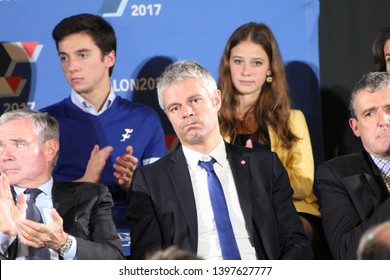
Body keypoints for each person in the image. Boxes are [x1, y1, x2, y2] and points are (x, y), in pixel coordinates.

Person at [127, 60, 313, 260]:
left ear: (216, 100)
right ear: (168, 116)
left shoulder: (264, 166)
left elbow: (295, 242)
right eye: (175, 108)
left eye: (195, 100)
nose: (187, 112)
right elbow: (147, 259)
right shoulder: (150, 181)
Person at [40, 13, 167, 229]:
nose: (71, 67)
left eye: (82, 55)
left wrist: (134, 184)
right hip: (68, 234)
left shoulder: (145, 119)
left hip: (136, 233)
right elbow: (31, 198)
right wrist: (84, 184)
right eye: (64, 57)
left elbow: (165, 196)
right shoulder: (44, 122)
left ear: (109, 58)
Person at [217, 22, 327, 257]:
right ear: (228, 65)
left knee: (271, 232)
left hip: (288, 212)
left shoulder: (292, 120)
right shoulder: (212, 121)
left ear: (270, 69)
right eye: (238, 61)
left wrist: (258, 175)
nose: (246, 71)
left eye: (256, 63)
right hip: (231, 213)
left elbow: (304, 183)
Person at [0, 109, 124, 260]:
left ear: (49, 150)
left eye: (19, 144)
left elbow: (115, 260)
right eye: (0, 146)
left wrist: (64, 243)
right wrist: (3, 236)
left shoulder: (90, 196)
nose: (5, 156)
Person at [315, 72, 390, 259]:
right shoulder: (335, 175)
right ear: (355, 127)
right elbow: (347, 252)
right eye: (370, 113)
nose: (384, 121)